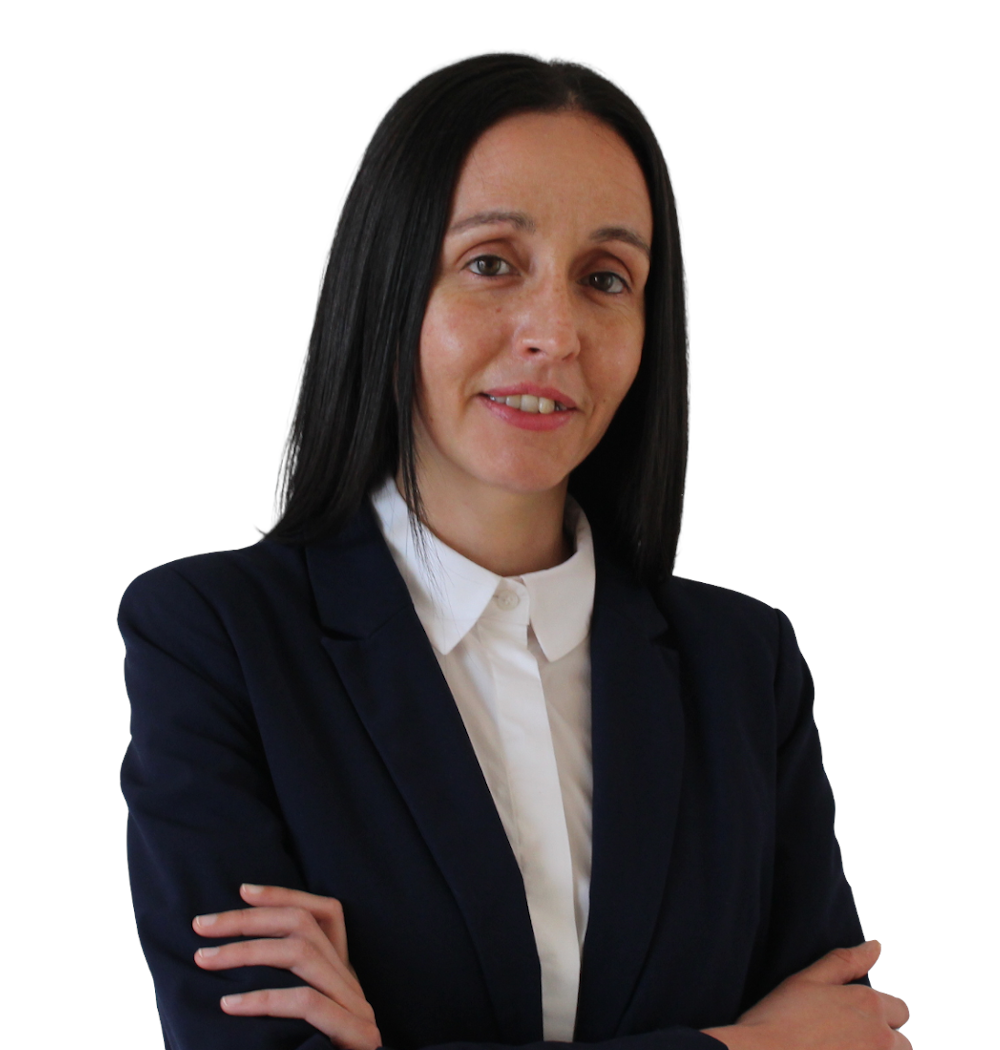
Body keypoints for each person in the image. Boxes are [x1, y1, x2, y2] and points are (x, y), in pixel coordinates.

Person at [119, 54, 910, 1050]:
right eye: (491, 263)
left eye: (605, 279)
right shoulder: (217, 640)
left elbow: (849, 1034)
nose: (556, 333)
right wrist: (743, 1045)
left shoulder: (743, 666)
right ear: (389, 283)